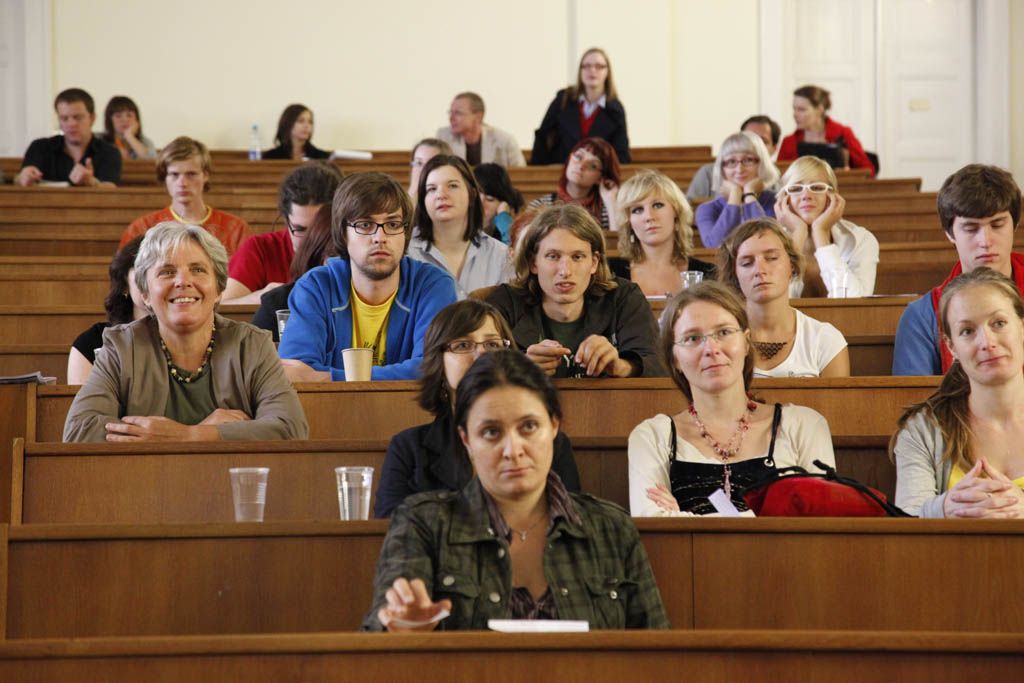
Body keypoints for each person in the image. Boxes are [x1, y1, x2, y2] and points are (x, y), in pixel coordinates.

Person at [364, 350, 669, 631]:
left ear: (554, 426)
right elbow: (376, 637)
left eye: (528, 427)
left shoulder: (612, 528)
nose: (513, 450)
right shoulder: (423, 525)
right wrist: (403, 633)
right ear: (466, 440)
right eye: (491, 432)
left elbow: (657, 651)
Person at [63, 222, 309, 443]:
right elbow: (79, 431)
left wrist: (189, 435)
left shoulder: (252, 345)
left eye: (198, 270)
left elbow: (290, 428)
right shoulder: (121, 347)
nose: (183, 281)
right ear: (145, 293)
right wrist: (200, 432)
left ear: (219, 289)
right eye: (167, 272)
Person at [628, 281, 836, 516]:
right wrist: (777, 514)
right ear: (674, 358)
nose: (711, 349)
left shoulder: (804, 426)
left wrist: (684, 518)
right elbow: (654, 524)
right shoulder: (652, 437)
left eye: (724, 332)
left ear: (746, 342)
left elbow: (822, 522)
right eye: (692, 338)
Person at [375, 299, 581, 518]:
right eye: (463, 345)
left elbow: (570, 526)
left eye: (492, 345)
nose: (481, 355)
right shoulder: (408, 448)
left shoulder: (550, 442)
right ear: (439, 363)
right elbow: (391, 528)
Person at [278, 172, 458, 381]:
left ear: (405, 233)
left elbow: (430, 368)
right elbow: (296, 371)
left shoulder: (434, 285)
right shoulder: (315, 287)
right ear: (343, 233)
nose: (380, 238)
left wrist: (327, 378)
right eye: (365, 225)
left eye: (393, 224)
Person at [891, 268, 1024, 518]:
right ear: (951, 347)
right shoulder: (923, 429)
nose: (987, 342)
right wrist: (944, 508)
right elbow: (907, 519)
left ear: (1022, 327)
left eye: (999, 323)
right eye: (967, 331)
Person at [486, 204, 663, 378]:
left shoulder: (624, 297)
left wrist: (621, 366)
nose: (565, 271)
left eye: (577, 257)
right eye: (553, 256)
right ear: (534, 263)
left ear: (594, 262)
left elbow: (658, 366)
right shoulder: (504, 303)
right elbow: (477, 368)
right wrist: (518, 369)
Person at [893, 164, 1023, 376]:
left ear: (1014, 224)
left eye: (997, 225)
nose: (985, 241)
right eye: (971, 228)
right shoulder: (924, 316)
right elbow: (915, 394)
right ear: (950, 233)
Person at [718, 219, 849, 378]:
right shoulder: (717, 339)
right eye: (746, 263)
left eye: (772, 258)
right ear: (734, 275)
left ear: (791, 265)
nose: (760, 270)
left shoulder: (825, 339)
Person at [222, 161, 342, 304]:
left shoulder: (352, 250)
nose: (310, 240)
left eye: (320, 230)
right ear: (285, 219)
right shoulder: (260, 248)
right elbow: (224, 306)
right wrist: (262, 298)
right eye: (300, 229)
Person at [119, 136, 252, 255]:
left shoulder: (236, 229)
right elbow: (123, 273)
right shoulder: (142, 228)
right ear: (164, 177)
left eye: (191, 174)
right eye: (174, 175)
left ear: (205, 175)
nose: (182, 183)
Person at [773, 156, 879, 298]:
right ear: (784, 199)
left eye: (817, 187)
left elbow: (852, 302)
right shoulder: (768, 241)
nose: (806, 195)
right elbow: (773, 302)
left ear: (833, 196)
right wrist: (797, 234)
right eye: (796, 188)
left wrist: (820, 233)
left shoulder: (861, 239)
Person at [408, 155, 509, 299]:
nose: (441, 195)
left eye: (452, 186)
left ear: (472, 194)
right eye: (431, 189)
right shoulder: (406, 252)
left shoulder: (499, 255)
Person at [610, 169, 715, 297]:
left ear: (676, 212)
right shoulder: (610, 273)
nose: (649, 216)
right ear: (629, 222)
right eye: (637, 210)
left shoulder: (708, 274)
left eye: (658, 205)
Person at [67, 236, 150, 385]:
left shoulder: (189, 340)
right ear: (124, 285)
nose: (153, 281)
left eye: (166, 272)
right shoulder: (92, 342)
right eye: (144, 271)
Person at [530, 48, 630, 165]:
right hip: (561, 169)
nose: (592, 70)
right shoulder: (563, 99)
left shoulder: (616, 110)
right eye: (586, 66)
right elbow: (542, 137)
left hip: (597, 173)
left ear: (607, 72)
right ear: (580, 71)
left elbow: (621, 155)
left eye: (599, 66)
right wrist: (542, 171)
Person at [252, 205, 335, 342]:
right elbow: (256, 353)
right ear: (316, 256)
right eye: (334, 256)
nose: (345, 267)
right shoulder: (280, 304)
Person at [16, 88, 121, 187]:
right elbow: (19, 179)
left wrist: (91, 183)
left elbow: (111, 188)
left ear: (92, 118)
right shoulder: (40, 147)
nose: (71, 124)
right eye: (64, 118)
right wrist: (23, 178)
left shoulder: (109, 151)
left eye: (78, 117)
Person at [694, 131, 779, 248]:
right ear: (722, 169)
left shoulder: (777, 202)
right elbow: (714, 247)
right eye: (731, 162)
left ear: (762, 164)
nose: (739, 169)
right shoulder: (707, 209)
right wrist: (735, 196)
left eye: (748, 160)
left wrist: (749, 195)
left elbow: (766, 241)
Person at [777, 85, 875, 175]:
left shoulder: (843, 134)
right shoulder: (788, 142)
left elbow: (869, 171)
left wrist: (846, 173)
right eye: (794, 109)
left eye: (801, 109)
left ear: (820, 110)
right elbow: (778, 176)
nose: (795, 114)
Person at [527, 137, 620, 231]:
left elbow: (616, 239)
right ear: (569, 159)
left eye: (593, 165)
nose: (581, 166)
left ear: (600, 178)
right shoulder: (540, 205)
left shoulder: (606, 210)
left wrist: (611, 201)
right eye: (579, 157)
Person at [686, 115, 781, 200]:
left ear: (774, 148)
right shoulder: (707, 173)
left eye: (762, 141)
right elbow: (692, 208)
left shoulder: (774, 177)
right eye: (747, 139)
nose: (754, 145)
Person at [435, 92, 525, 168]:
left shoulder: (504, 140)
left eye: (458, 113)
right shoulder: (443, 137)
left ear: (478, 116)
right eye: (450, 112)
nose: (451, 118)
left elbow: (522, 174)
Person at [474, 162, 525, 244]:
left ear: (503, 205)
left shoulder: (503, 226)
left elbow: (515, 249)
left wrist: (503, 219)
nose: (480, 205)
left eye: (490, 199)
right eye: (476, 197)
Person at [262, 104, 331, 160]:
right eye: (301, 121)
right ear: (288, 124)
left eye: (310, 122)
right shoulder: (271, 157)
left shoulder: (322, 157)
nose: (306, 126)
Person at [99, 96, 157, 161]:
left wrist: (129, 136)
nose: (124, 120)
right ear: (110, 120)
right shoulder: (99, 140)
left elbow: (152, 161)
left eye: (129, 115)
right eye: (118, 116)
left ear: (136, 120)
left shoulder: (145, 142)